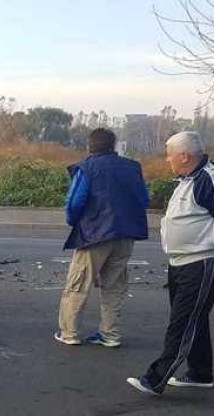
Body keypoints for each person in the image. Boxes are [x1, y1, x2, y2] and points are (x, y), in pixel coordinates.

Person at [127, 131, 214, 396]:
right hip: (182, 261)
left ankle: (156, 378)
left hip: (203, 260)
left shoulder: (210, 178)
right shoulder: (188, 179)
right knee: (193, 318)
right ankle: (200, 373)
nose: (166, 160)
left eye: (169, 154)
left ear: (184, 155)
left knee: (183, 320)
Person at [55, 128, 149, 348]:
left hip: (94, 233)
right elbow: (144, 199)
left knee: (78, 283)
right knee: (114, 286)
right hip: (126, 233)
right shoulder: (133, 168)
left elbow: (74, 203)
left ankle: (69, 332)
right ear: (113, 145)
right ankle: (110, 334)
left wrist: (75, 222)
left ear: (90, 145)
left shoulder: (87, 168)